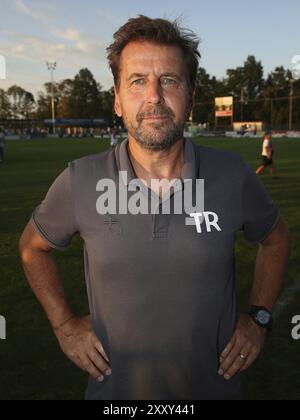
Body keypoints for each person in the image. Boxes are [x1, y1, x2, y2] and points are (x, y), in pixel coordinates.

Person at [19, 16, 291, 400]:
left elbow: (276, 239)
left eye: (169, 80)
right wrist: (64, 325)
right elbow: (32, 248)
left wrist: (260, 318)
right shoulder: (80, 180)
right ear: (117, 99)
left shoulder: (234, 175)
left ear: (191, 97)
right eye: (137, 81)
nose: (154, 97)